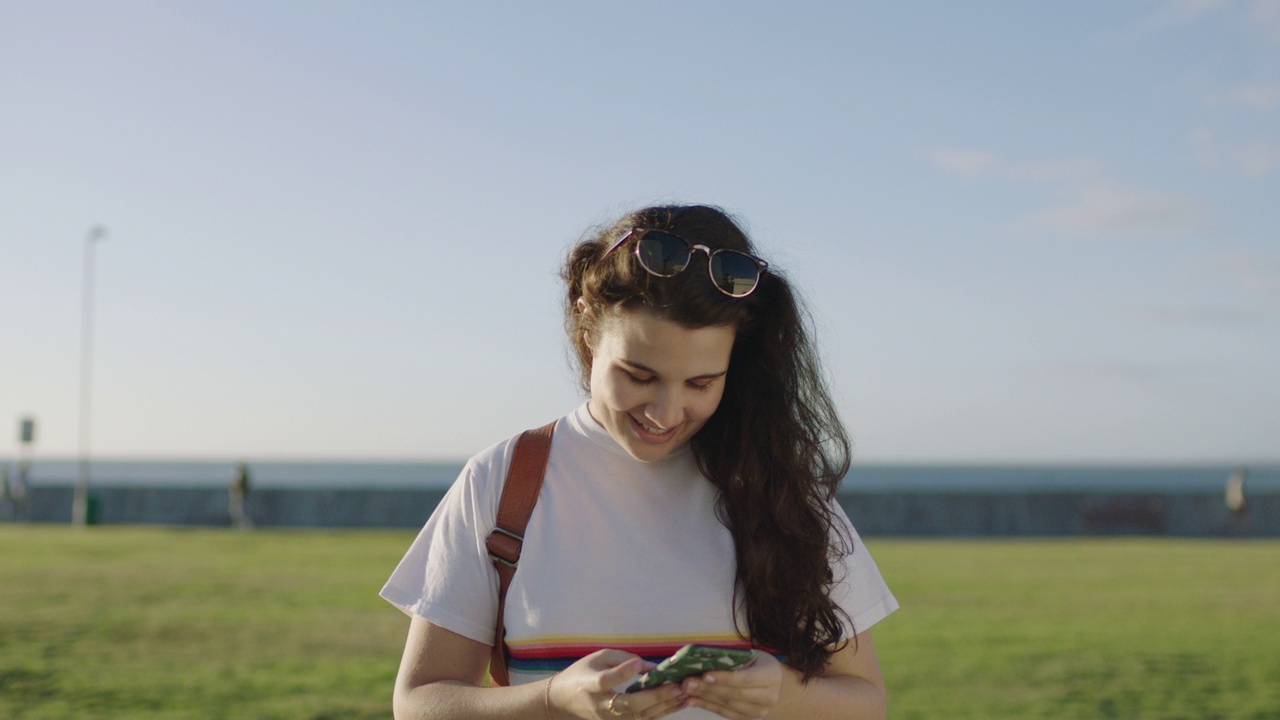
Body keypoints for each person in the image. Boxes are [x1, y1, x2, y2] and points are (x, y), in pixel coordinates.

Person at [381, 205, 898, 720]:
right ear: (585, 324)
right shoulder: (504, 481)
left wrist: (786, 696)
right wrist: (552, 699)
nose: (665, 413)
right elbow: (419, 704)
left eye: (701, 383)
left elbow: (866, 701)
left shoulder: (780, 488)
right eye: (638, 375)